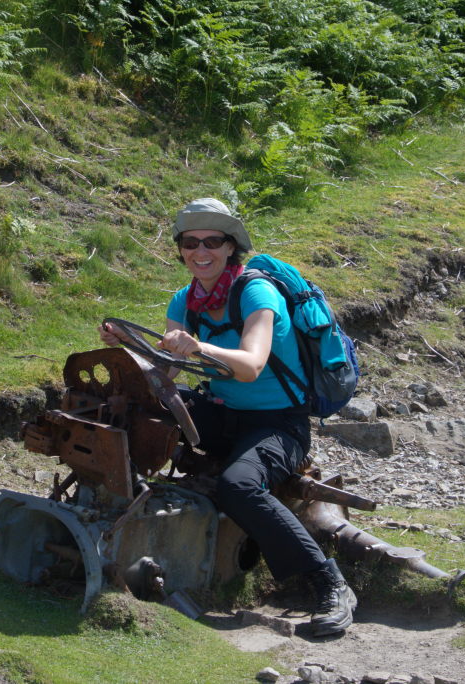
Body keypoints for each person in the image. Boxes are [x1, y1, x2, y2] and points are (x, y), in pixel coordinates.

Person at [99, 197, 356, 636]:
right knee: (136, 411)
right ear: (181, 249)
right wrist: (129, 345)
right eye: (190, 242)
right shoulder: (185, 300)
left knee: (238, 488)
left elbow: (252, 364)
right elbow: (166, 374)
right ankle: (112, 518)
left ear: (230, 246)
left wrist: (199, 346)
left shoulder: (256, 292)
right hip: (222, 415)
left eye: (212, 241)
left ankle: (328, 582)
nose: (201, 251)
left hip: (278, 424)